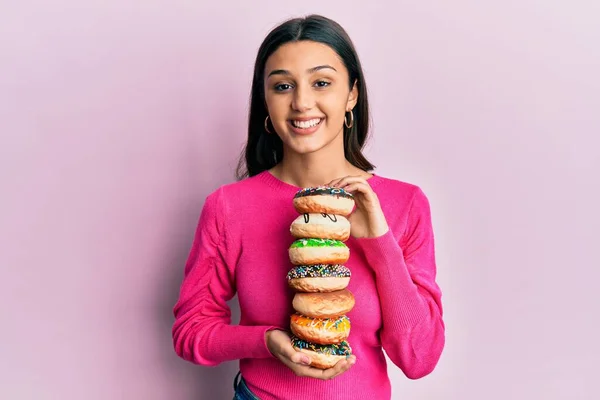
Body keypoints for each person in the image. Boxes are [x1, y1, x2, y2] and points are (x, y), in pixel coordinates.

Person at [172, 14, 445, 400]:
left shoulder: (404, 204)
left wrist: (380, 244)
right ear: (265, 99)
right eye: (283, 86)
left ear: (351, 94)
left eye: (321, 83)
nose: (301, 102)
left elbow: (419, 358)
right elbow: (191, 332)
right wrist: (268, 342)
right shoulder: (228, 207)